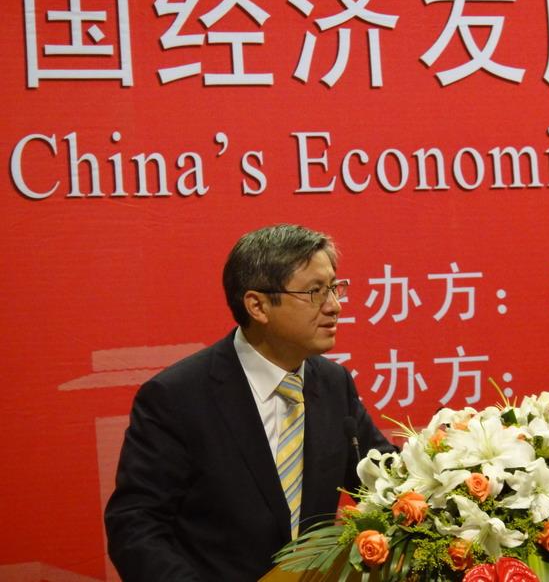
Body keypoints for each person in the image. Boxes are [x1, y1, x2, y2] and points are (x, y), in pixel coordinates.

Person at [105, 224, 394, 581]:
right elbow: (136, 526)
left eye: (335, 288)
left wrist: (450, 469)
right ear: (257, 305)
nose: (334, 306)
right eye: (315, 292)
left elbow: (385, 480)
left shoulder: (334, 385)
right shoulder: (177, 398)